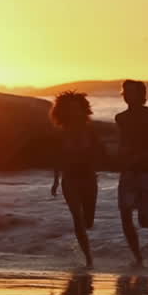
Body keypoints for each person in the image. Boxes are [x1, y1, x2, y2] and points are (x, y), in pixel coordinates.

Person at [113, 79, 148, 266]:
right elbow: (123, 141)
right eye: (125, 92)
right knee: (125, 214)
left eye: (132, 92)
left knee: (143, 219)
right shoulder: (121, 118)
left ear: (141, 95)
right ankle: (138, 258)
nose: (128, 95)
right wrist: (122, 155)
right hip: (128, 171)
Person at [50, 91, 103, 267]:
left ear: (83, 110)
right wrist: (56, 181)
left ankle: (81, 248)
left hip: (88, 178)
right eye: (70, 109)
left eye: (77, 109)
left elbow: (100, 153)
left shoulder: (91, 131)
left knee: (88, 221)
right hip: (70, 179)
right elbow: (57, 158)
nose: (74, 113)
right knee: (78, 218)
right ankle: (89, 259)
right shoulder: (61, 133)